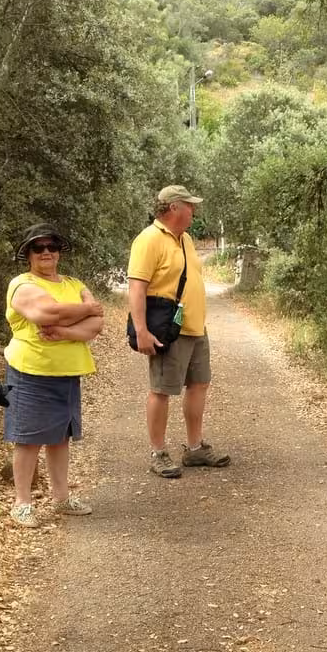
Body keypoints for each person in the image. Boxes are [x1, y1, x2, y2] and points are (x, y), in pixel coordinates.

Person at [4, 223, 103, 527]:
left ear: (60, 251)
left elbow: (96, 324)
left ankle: (61, 498)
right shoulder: (22, 284)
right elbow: (44, 313)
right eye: (38, 247)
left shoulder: (74, 283)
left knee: (61, 437)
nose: (46, 252)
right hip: (31, 372)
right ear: (27, 254)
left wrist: (62, 331)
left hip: (68, 373)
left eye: (52, 246)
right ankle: (22, 503)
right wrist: (84, 309)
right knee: (28, 439)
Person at [128, 185, 228, 478]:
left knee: (199, 384)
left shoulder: (185, 239)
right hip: (168, 329)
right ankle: (158, 453)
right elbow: (137, 287)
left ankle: (195, 448)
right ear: (173, 207)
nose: (193, 210)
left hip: (195, 327)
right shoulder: (148, 239)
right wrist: (141, 330)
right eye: (189, 205)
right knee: (161, 390)